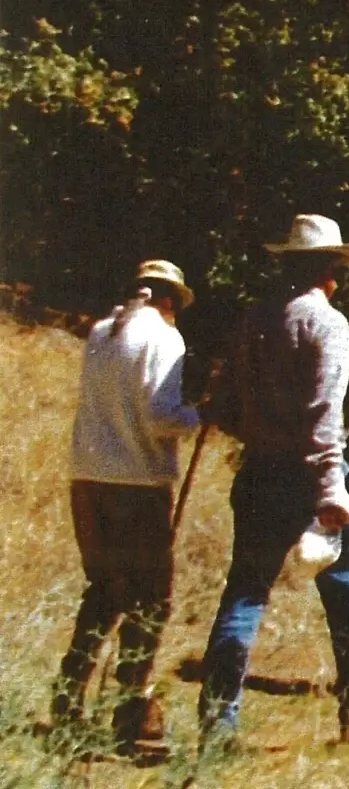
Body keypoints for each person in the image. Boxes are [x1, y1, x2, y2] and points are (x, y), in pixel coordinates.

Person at [197, 216, 349, 745]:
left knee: (245, 594)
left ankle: (217, 723)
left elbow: (228, 410)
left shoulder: (252, 322)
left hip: (260, 470)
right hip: (311, 476)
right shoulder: (326, 324)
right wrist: (331, 488)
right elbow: (324, 414)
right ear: (328, 269)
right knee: (348, 596)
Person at [56, 260, 200, 759]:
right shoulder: (164, 338)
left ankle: (67, 696)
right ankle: (131, 712)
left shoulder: (101, 332)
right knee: (149, 599)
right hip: (137, 485)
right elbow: (162, 418)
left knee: (103, 589)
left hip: (88, 480)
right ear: (170, 300)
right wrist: (202, 413)